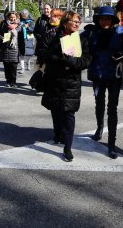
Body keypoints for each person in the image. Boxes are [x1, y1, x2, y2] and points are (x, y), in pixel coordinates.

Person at [81, 6, 123, 159]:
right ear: (97, 19)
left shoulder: (121, 33)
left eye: (108, 19)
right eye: (102, 18)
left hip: (114, 76)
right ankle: (99, 129)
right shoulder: (90, 32)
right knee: (99, 104)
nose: (105, 21)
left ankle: (111, 144)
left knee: (112, 109)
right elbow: (73, 43)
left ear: (113, 20)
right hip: (97, 76)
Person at [39, 11, 92, 162]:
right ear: (65, 22)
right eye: (74, 21)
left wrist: (70, 61)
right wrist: (56, 57)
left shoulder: (82, 39)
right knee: (55, 109)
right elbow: (41, 53)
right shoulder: (52, 35)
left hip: (71, 82)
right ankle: (57, 134)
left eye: (78, 21)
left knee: (69, 113)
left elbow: (86, 61)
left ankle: (67, 147)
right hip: (54, 80)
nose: (77, 24)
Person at [0, 11, 22, 87]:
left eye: (14, 17)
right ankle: (8, 81)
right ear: (8, 17)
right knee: (6, 66)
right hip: (5, 47)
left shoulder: (19, 25)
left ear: (17, 17)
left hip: (15, 48)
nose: (12, 19)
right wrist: (3, 38)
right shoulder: (3, 23)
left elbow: (21, 37)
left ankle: (13, 82)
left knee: (13, 66)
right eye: (11, 17)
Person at [18, 9, 36, 73]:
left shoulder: (31, 21)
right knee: (21, 53)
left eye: (25, 15)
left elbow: (33, 30)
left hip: (28, 39)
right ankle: (22, 68)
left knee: (28, 53)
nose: (24, 16)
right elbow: (17, 29)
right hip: (20, 39)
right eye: (23, 15)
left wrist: (27, 27)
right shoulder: (19, 21)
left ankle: (28, 63)